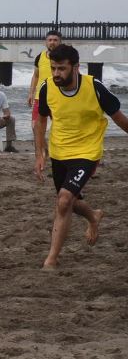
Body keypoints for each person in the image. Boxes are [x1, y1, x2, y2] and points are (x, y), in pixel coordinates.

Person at [32, 44, 128, 270]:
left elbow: (119, 118)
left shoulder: (94, 87)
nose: (56, 74)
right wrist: (39, 153)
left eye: (61, 69)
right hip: (59, 152)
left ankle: (51, 259)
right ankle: (93, 215)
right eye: (54, 68)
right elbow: (41, 120)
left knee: (64, 200)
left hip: (87, 153)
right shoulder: (47, 87)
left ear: (75, 67)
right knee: (70, 203)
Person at [28, 29, 62, 123]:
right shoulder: (40, 57)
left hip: (59, 97)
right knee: (35, 125)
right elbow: (36, 76)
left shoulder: (66, 58)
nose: (52, 42)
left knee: (58, 125)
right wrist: (31, 93)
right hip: (40, 96)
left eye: (55, 40)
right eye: (50, 40)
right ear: (46, 42)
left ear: (60, 42)